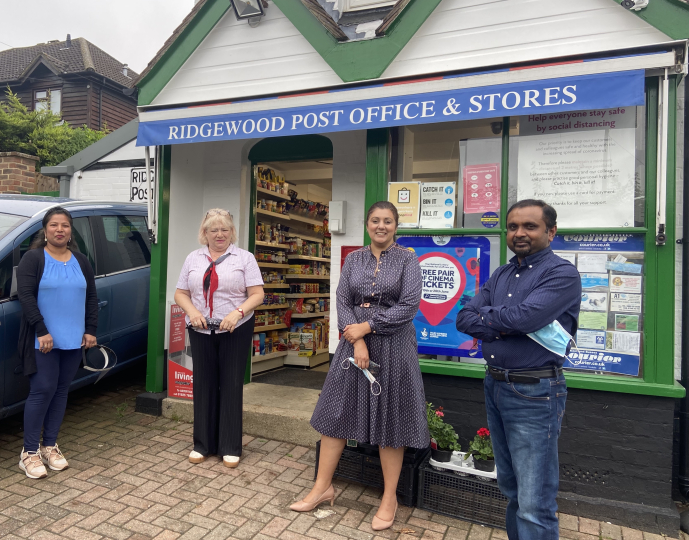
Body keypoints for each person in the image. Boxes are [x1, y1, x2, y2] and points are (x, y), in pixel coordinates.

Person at [293, 201, 429, 531]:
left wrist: (368, 328)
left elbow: (409, 306)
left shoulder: (408, 259)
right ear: (367, 224)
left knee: (391, 419)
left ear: (396, 226)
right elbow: (342, 300)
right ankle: (322, 487)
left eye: (387, 221)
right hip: (353, 345)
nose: (381, 226)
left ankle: (389, 498)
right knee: (336, 412)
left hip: (395, 346)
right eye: (375, 220)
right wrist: (357, 339)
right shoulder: (354, 258)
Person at [456, 199, 581, 540]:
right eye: (513, 227)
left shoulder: (561, 274)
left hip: (534, 393)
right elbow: (464, 317)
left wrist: (498, 319)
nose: (519, 233)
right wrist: (508, 323)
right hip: (495, 386)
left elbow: (526, 317)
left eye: (530, 226)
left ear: (551, 232)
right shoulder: (502, 273)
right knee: (511, 489)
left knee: (534, 502)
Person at [174, 209, 264, 468]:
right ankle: (202, 444)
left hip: (235, 329)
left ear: (231, 232)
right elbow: (181, 293)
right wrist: (192, 312)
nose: (219, 234)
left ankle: (230, 446)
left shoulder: (244, 258)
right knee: (203, 384)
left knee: (231, 384)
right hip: (200, 329)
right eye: (213, 230)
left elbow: (257, 294)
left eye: (224, 229)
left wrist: (237, 313)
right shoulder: (193, 258)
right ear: (205, 233)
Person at [16, 207, 98, 479]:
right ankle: (29, 453)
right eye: (54, 225)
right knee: (42, 390)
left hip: (73, 340)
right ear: (45, 230)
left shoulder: (81, 261)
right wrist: (41, 330)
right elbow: (26, 297)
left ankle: (50, 445)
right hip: (43, 340)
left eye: (64, 225)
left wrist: (90, 330)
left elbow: (91, 298)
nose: (59, 230)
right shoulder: (33, 258)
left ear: (70, 230)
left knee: (61, 391)